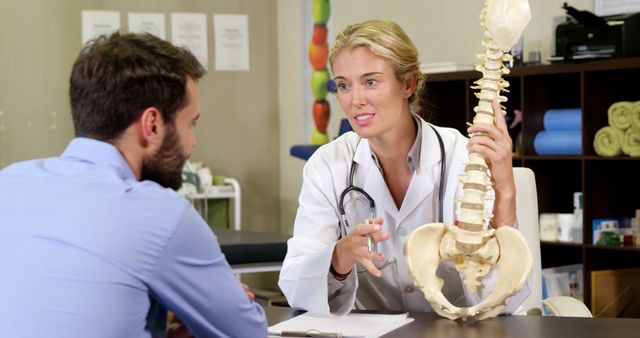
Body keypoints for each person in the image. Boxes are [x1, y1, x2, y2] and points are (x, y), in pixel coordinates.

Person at [0, 32, 267, 337]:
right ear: (152, 125)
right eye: (190, 124)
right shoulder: (160, 213)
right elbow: (247, 333)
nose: (193, 142)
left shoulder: (8, 181)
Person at [279, 19, 530, 315]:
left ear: (408, 84)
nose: (355, 100)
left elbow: (505, 303)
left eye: (371, 82)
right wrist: (339, 257)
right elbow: (296, 287)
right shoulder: (328, 164)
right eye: (343, 85)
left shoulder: (464, 157)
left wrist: (506, 192)